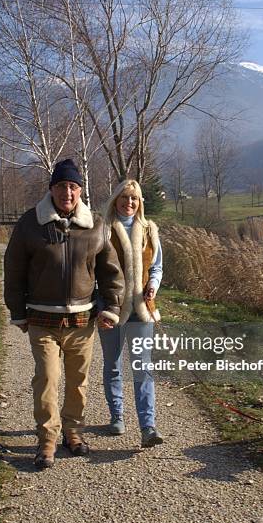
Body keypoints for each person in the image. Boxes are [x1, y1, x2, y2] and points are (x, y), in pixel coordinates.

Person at [4, 159, 124, 469]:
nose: (66, 192)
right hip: (42, 319)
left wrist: (110, 307)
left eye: (72, 187)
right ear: (51, 189)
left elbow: (111, 273)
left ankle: (73, 433)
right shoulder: (30, 223)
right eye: (60, 186)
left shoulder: (96, 225)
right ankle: (46, 441)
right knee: (47, 378)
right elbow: (14, 270)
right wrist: (17, 311)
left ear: (80, 190)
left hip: (82, 321)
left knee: (78, 380)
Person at [98, 179, 163, 448]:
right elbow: (93, 270)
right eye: (124, 198)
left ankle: (148, 427)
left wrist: (152, 285)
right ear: (116, 200)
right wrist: (98, 305)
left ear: (140, 203)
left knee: (142, 369)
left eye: (134, 199)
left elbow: (157, 267)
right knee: (113, 365)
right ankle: (117, 416)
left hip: (141, 311)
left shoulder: (149, 230)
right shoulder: (102, 230)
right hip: (111, 309)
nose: (129, 203)